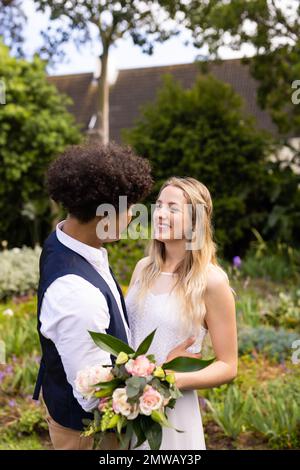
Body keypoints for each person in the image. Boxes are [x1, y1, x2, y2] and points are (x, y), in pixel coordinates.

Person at [32, 142, 153, 450]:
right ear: (105, 214)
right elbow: (94, 395)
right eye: (129, 209)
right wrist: (160, 385)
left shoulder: (68, 239)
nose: (132, 218)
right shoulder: (76, 294)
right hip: (90, 436)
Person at [126, 176, 237, 450]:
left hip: (172, 412)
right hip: (127, 404)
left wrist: (167, 379)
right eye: (159, 205)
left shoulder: (211, 281)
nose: (161, 214)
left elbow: (228, 366)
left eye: (173, 208)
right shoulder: (143, 268)